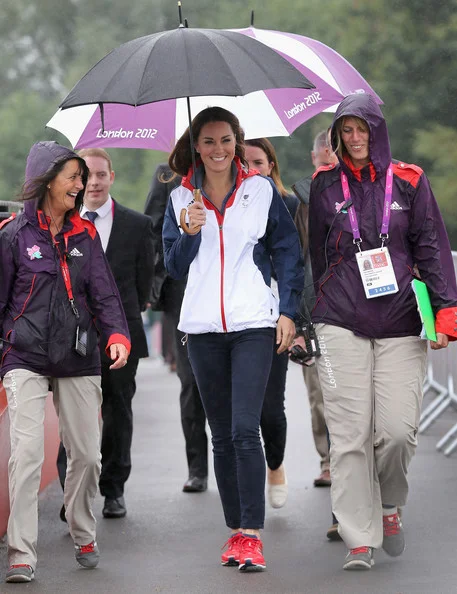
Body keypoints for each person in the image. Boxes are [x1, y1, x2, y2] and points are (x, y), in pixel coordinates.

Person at [309, 93, 457, 571]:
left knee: (395, 432)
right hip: (340, 321)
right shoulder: (324, 186)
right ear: (335, 134)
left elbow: (432, 246)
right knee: (350, 435)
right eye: (345, 130)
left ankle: (390, 504)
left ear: (378, 129)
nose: (354, 139)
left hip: (400, 321)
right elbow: (317, 256)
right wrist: (309, 314)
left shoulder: (410, 180)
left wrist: (447, 311)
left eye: (362, 129)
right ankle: (358, 535)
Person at [163, 107, 303, 571]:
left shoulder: (260, 190)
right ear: (196, 146)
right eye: (208, 141)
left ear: (238, 142)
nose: (218, 150)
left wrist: (288, 313)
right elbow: (175, 268)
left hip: (253, 325)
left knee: (246, 428)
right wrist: (187, 232)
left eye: (226, 140)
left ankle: (252, 534)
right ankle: (234, 531)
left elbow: (287, 251)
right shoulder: (180, 196)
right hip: (202, 328)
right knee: (220, 434)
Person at [0, 141, 130, 582]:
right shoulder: (14, 236)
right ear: (47, 180)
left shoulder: (85, 235)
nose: (82, 184)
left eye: (83, 177)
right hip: (25, 355)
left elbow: (104, 291)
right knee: (28, 454)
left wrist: (116, 334)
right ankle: (21, 552)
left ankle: (82, 530)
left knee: (89, 455)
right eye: (73, 177)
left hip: (78, 355)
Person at [57, 148, 154, 520]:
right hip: (71, 337)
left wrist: (124, 321)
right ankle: (73, 493)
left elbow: (144, 285)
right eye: (86, 176)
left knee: (117, 412)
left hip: (121, 336)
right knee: (72, 417)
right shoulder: (60, 223)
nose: (93, 183)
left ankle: (114, 489)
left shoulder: (136, 225)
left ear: (111, 176)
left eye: (100, 174)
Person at [144, 164, 209, 493]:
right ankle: (197, 467)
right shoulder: (167, 176)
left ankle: (236, 460)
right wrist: (152, 288)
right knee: (190, 384)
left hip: (229, 295)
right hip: (182, 296)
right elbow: (152, 233)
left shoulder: (238, 172)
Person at [293, 129, 342, 542]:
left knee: (358, 417)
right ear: (313, 157)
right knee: (320, 399)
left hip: (362, 316)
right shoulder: (302, 202)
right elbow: (295, 262)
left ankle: (359, 501)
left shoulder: (364, 195)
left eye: (334, 148)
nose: (327, 154)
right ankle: (328, 462)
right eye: (322, 149)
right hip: (317, 314)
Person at [244, 138, 298, 509]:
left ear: (271, 165)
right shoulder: (223, 204)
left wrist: (296, 317)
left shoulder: (290, 204)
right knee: (239, 412)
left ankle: (275, 465)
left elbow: (298, 262)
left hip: (275, 314)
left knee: (269, 408)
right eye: (244, 163)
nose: (252, 170)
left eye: (259, 162)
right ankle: (243, 490)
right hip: (235, 315)